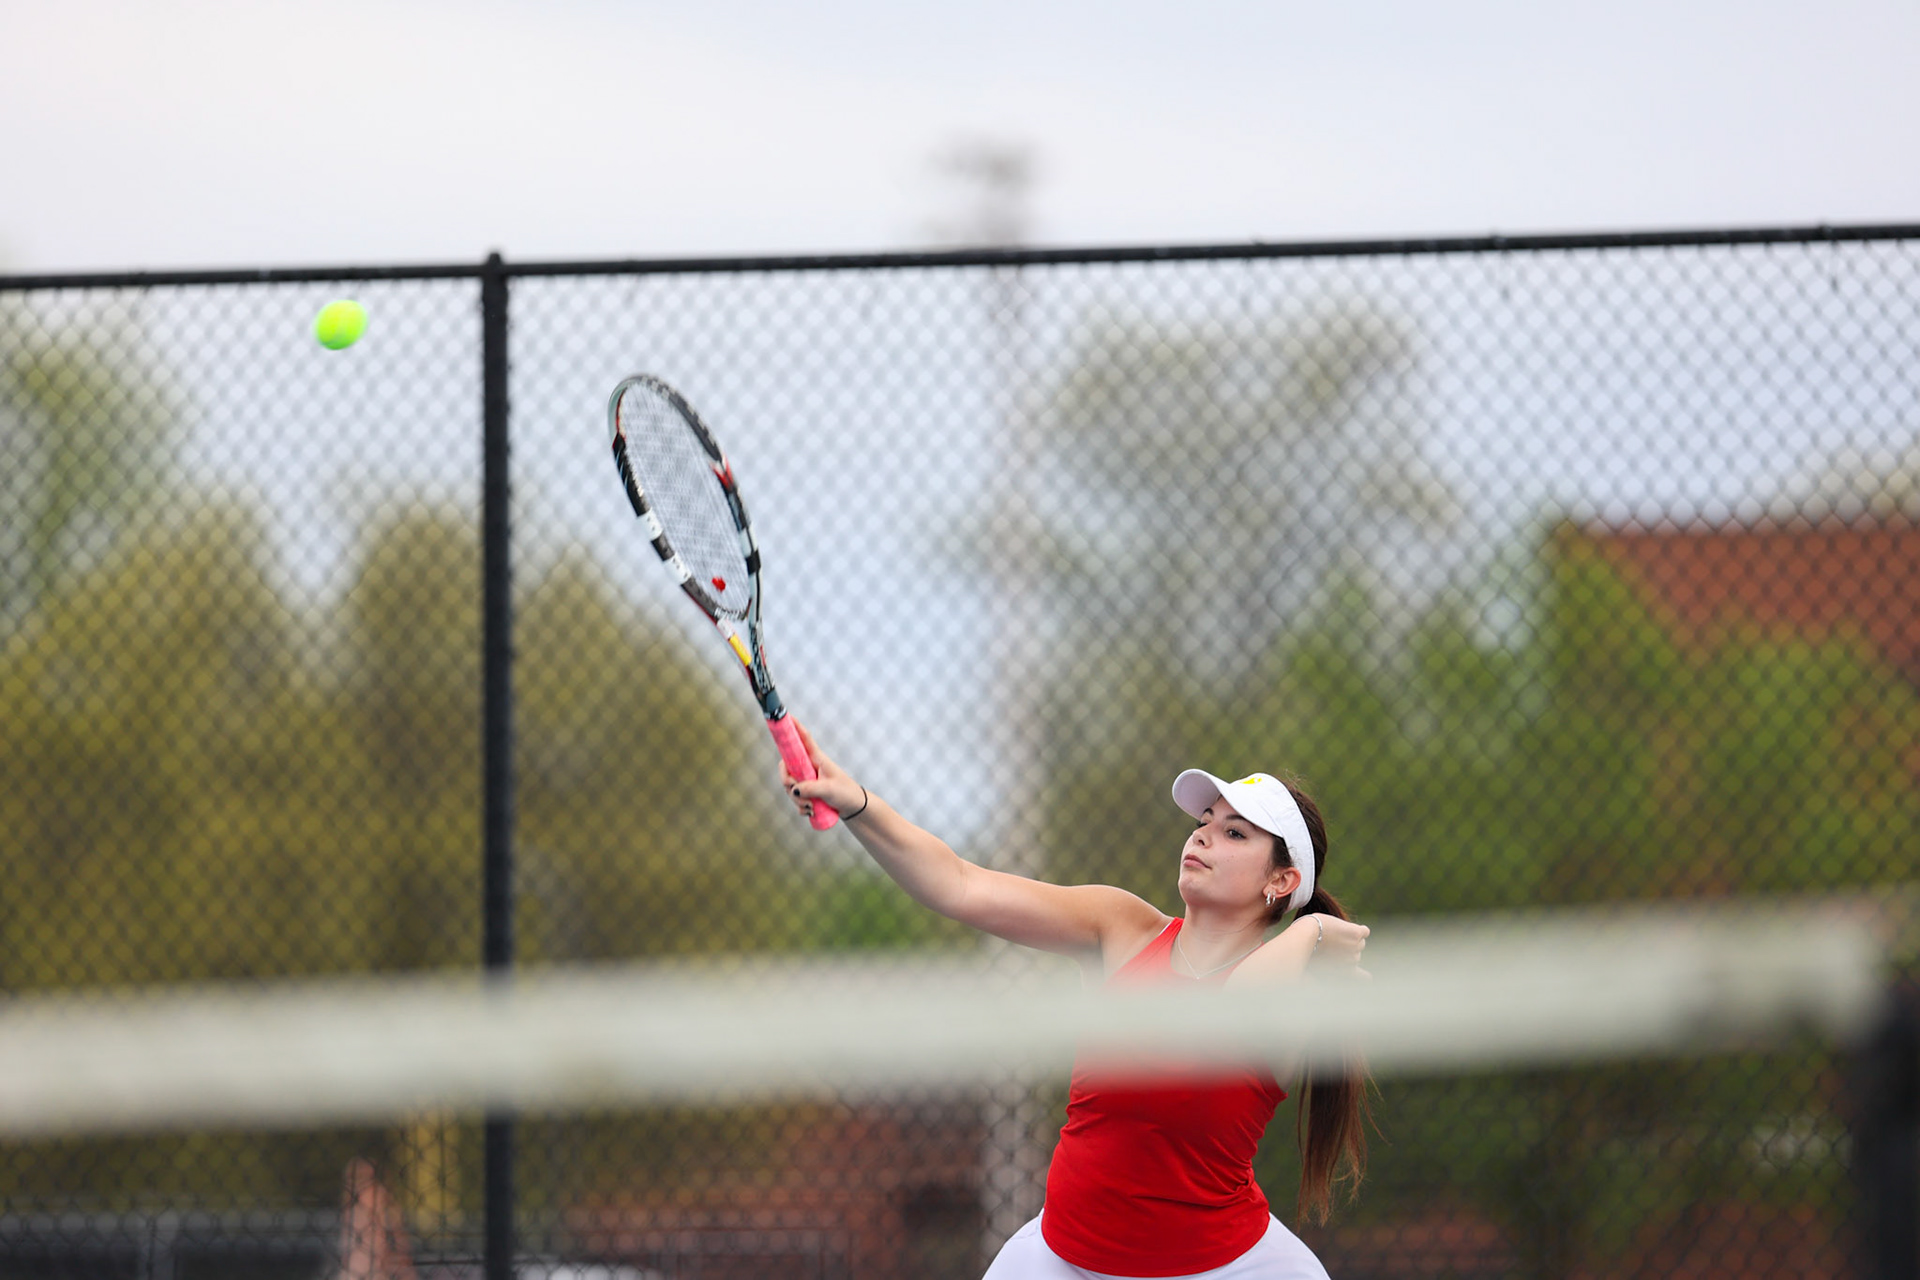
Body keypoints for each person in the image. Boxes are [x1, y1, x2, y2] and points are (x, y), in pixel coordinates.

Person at [782, 722, 1372, 1280]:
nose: (1202, 835)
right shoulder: (1121, 927)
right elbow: (959, 884)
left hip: (1223, 1264)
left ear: (1282, 881)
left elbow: (1222, 1015)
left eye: (1234, 832)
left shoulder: (1297, 990)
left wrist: (1308, 932)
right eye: (1205, 821)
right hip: (1060, 1258)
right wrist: (857, 801)